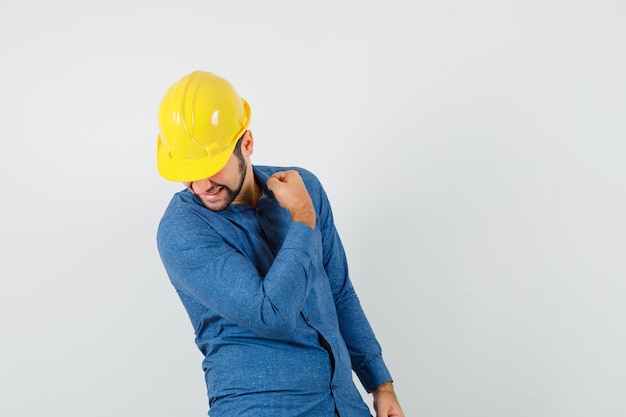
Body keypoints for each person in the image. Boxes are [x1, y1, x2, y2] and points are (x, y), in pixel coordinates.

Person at [156, 70, 405, 417]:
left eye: (211, 166)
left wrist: (380, 384)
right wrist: (302, 218)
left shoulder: (306, 188)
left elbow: (339, 291)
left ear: (246, 143)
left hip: (343, 405)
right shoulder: (183, 229)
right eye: (188, 171)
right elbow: (270, 313)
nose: (200, 185)